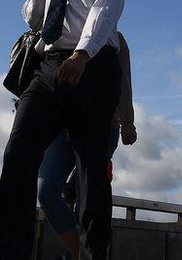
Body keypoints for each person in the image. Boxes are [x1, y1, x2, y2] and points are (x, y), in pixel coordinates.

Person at [0, 0, 130, 260]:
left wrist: (82, 55)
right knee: (18, 154)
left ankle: (94, 252)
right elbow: (32, 19)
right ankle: (9, 251)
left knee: (91, 169)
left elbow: (103, 13)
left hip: (92, 67)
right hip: (46, 68)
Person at [36, 32, 137, 259]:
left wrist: (127, 121)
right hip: (61, 127)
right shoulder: (61, 31)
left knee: (88, 196)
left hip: (103, 126)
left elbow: (124, 81)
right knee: (46, 191)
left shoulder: (116, 39)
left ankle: (86, 253)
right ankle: (77, 252)